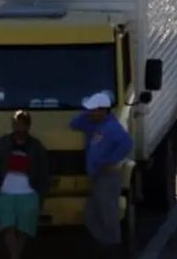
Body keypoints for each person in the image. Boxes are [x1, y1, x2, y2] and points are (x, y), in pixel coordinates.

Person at [71, 91, 132, 254]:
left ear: (103, 110)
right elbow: (74, 124)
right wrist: (86, 114)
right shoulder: (93, 125)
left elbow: (127, 143)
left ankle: (113, 247)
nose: (91, 113)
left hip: (108, 177)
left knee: (108, 214)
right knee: (91, 215)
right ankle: (105, 243)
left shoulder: (112, 127)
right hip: (97, 177)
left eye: (94, 110)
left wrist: (113, 161)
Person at [0, 111, 49, 259]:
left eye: (22, 125)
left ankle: (16, 254)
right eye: (16, 125)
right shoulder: (2, 143)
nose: (19, 128)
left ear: (28, 126)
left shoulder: (36, 146)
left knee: (24, 229)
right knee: (8, 226)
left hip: (28, 193)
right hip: (5, 192)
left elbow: (43, 172)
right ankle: (15, 255)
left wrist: (41, 195)